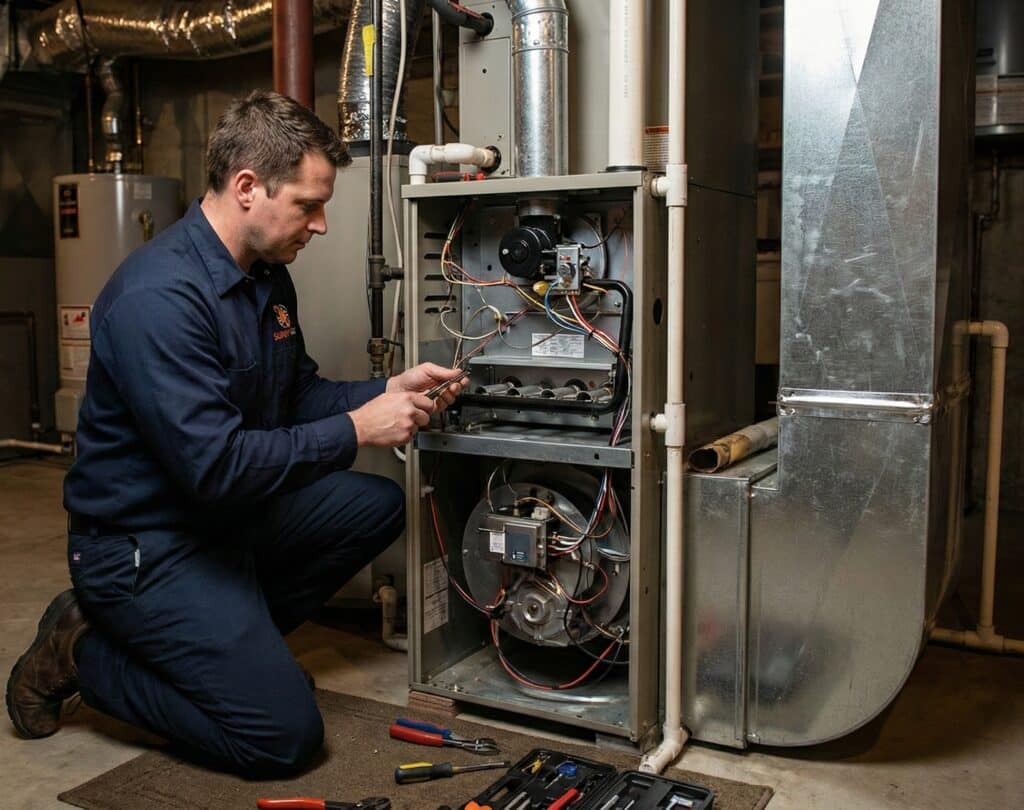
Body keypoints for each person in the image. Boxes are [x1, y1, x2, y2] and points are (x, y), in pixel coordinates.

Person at [5, 90, 466, 776]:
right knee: (280, 738)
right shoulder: (160, 298)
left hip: (222, 522)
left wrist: (386, 390)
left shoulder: (267, 278)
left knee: (370, 506)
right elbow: (215, 467)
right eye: (309, 205)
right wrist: (356, 428)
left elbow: (297, 392)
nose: (322, 225)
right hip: (143, 546)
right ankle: (81, 651)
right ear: (247, 187)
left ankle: (236, 655)